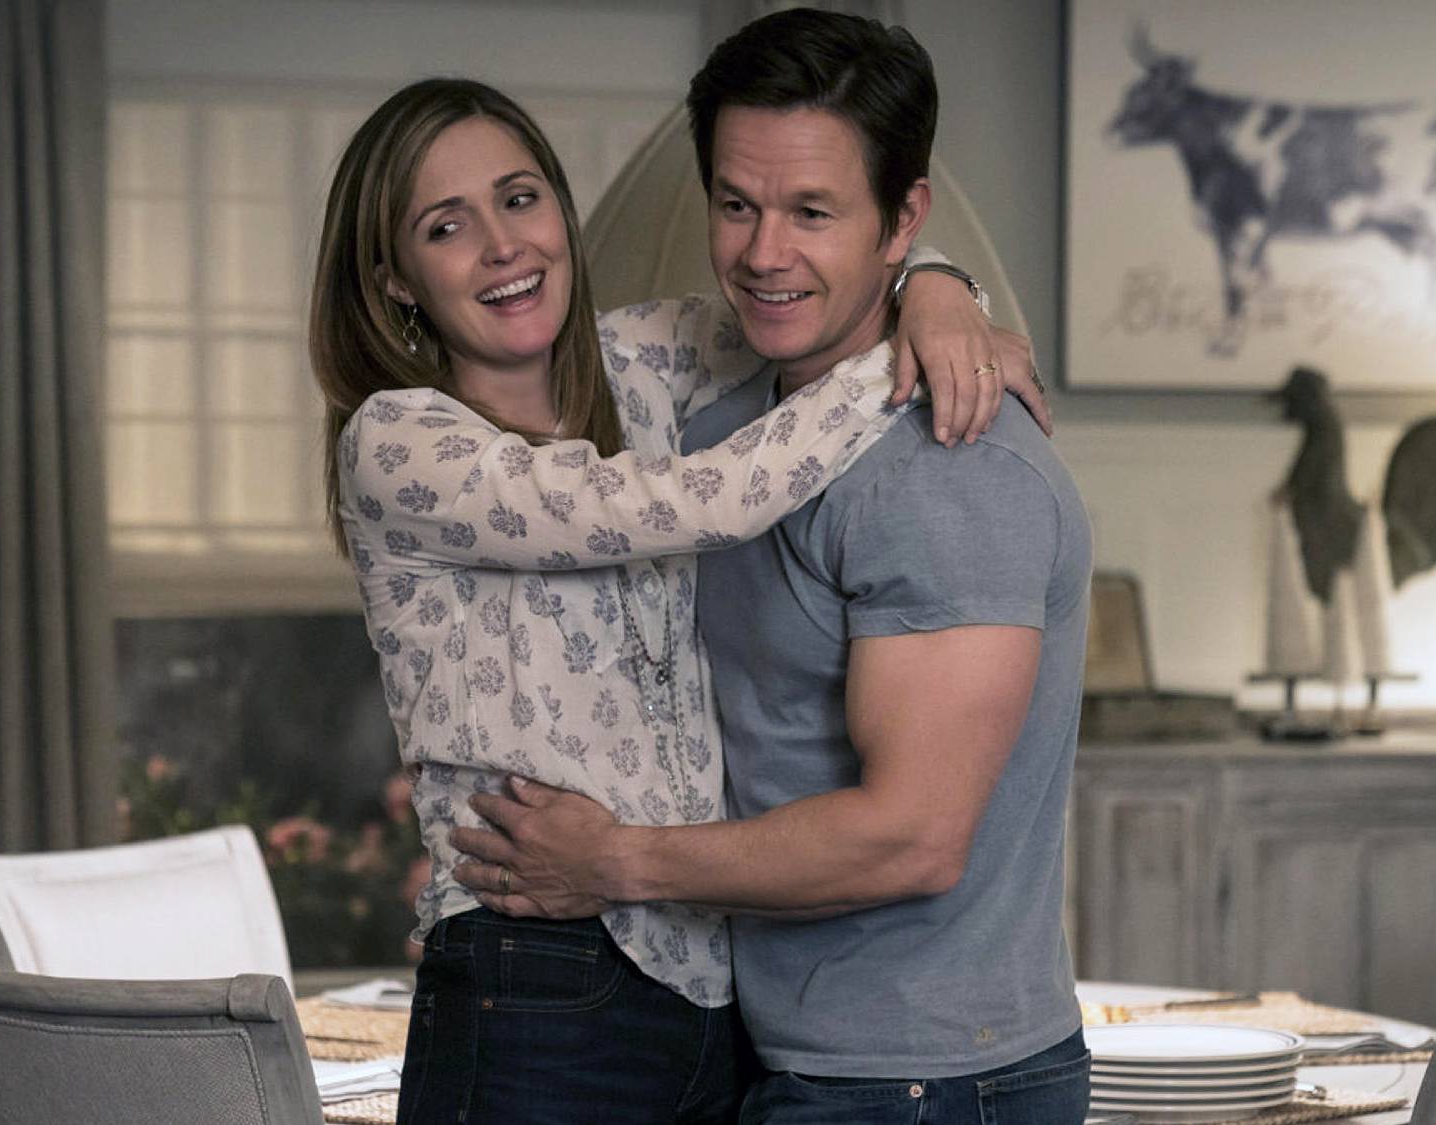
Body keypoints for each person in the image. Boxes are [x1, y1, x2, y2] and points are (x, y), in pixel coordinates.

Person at [309, 77, 1047, 1125]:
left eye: (519, 199)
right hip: (533, 964)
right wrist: (913, 356)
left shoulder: (644, 360)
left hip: (711, 983)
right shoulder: (396, 442)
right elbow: (704, 500)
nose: (503, 246)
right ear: (394, 278)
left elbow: (809, 300)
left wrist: (937, 291)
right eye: (446, 226)